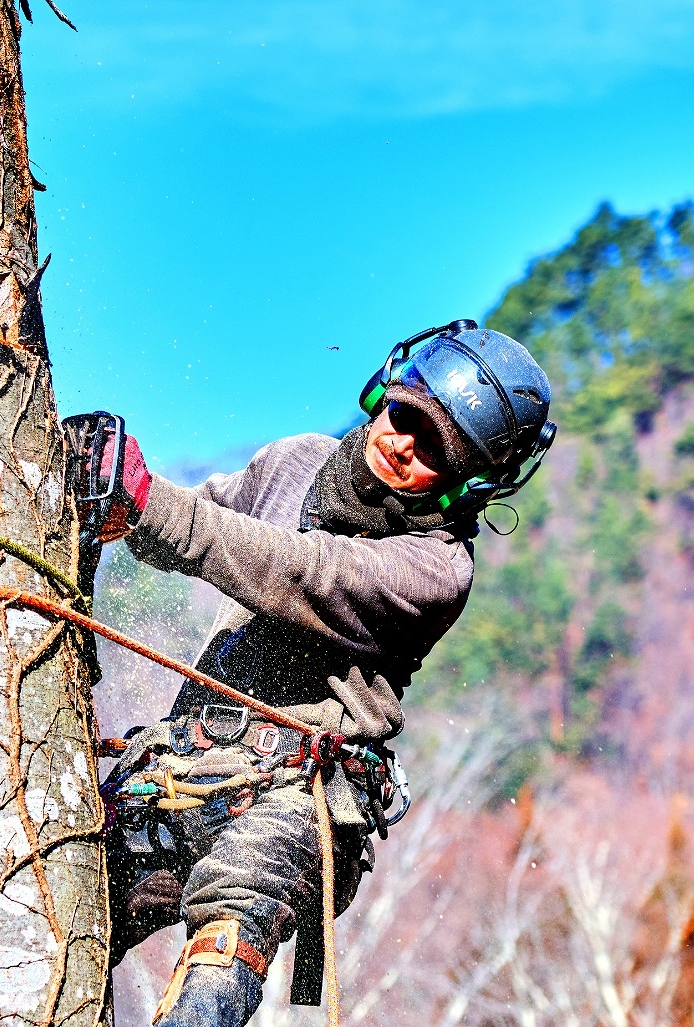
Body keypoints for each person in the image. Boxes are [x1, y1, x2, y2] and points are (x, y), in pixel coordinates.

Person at [76, 320, 556, 1026]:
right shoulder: (295, 462)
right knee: (60, 898)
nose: (402, 446)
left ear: (465, 486)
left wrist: (150, 498)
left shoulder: (437, 569)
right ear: (384, 396)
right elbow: (193, 526)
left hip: (296, 798)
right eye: (406, 418)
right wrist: (109, 496)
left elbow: (301, 572)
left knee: (227, 936)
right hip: (183, 767)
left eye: (433, 451)